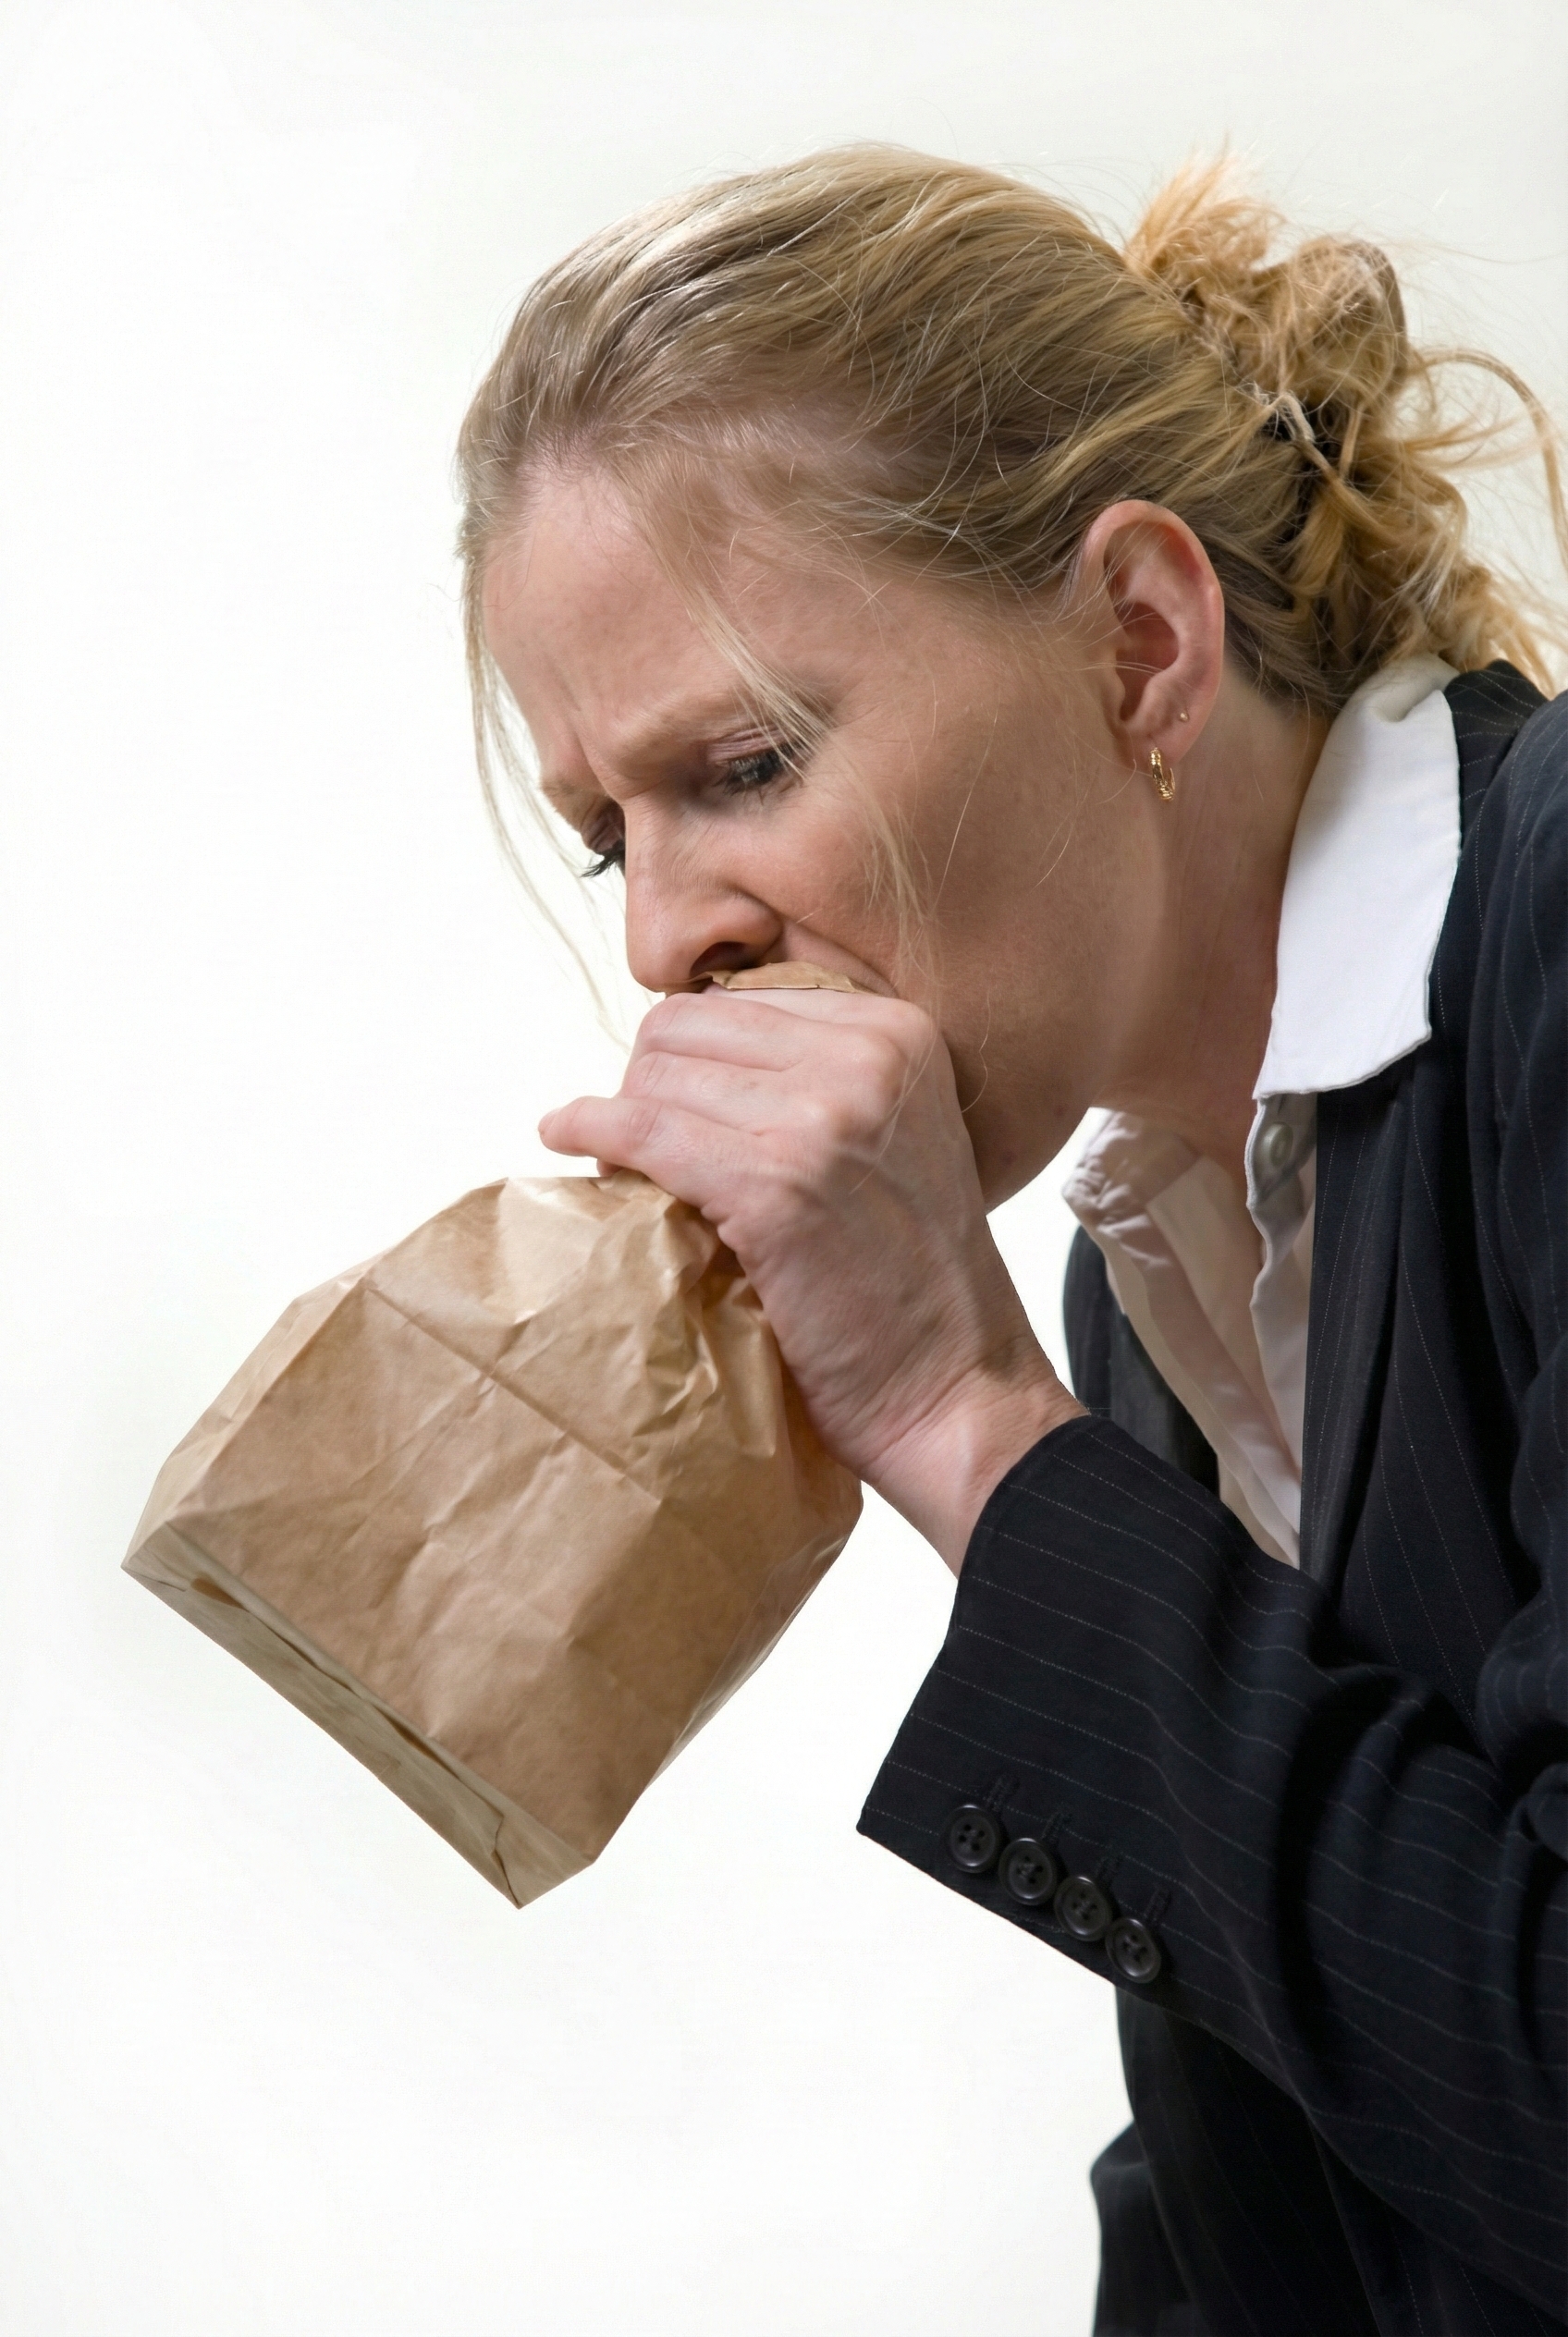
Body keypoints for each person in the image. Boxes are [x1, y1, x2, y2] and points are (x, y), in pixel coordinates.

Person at [457, 149, 1566, 2335]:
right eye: (610, 838)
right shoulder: (1146, 1280)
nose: (671, 930)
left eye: (744, 760)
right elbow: (1279, 2193)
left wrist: (966, 1429)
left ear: (1138, 644)